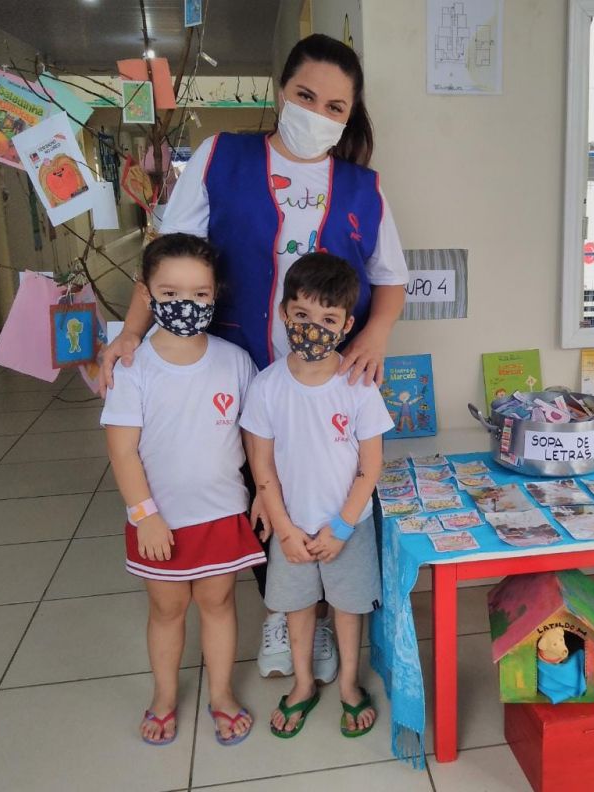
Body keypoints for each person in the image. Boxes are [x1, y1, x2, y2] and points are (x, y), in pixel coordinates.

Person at [99, 33, 408, 682]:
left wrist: (376, 334)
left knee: (323, 483)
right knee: (257, 487)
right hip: (239, 366)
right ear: (281, 91)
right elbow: (168, 256)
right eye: (305, 96)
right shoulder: (222, 157)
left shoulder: (363, 189)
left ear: (349, 115)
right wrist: (131, 332)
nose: (317, 113)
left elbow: (390, 278)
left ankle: (322, 611)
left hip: (326, 379)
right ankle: (282, 611)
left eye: (334, 106)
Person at [101, 233, 265, 746]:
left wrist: (264, 490)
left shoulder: (234, 361)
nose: (185, 304)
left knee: (219, 603)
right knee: (167, 610)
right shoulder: (133, 368)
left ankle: (222, 695)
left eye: (199, 293)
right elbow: (122, 452)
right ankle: (164, 698)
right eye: (170, 293)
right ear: (146, 292)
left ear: (216, 295)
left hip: (221, 513)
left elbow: (255, 435)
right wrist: (145, 515)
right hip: (159, 521)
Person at [240, 253, 393, 738]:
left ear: (347, 325)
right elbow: (262, 467)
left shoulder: (359, 387)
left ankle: (348, 684)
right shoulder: (266, 387)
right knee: (297, 608)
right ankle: (303, 683)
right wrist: (285, 531)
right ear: (284, 313)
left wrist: (342, 526)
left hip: (349, 527)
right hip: (292, 527)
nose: (313, 327)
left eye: (328, 319)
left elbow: (370, 467)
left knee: (348, 609)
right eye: (302, 315)